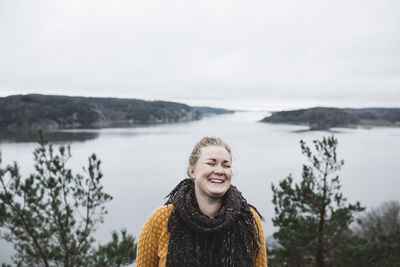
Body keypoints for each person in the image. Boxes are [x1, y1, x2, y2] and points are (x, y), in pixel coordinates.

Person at [136, 136, 267, 266]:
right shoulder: (162, 220)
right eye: (211, 163)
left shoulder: (248, 219)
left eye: (226, 165)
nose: (220, 171)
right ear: (192, 171)